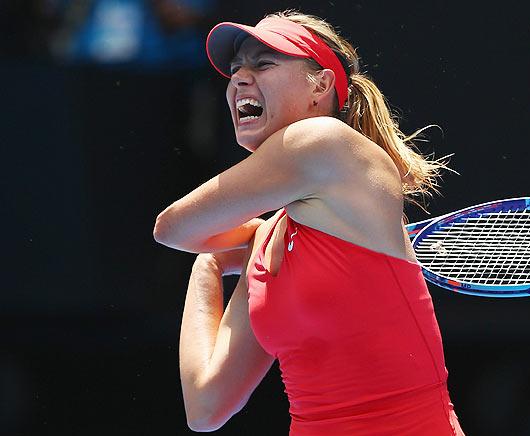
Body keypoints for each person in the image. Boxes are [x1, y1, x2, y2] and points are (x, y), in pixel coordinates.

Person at [153, 10, 465, 435]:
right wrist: (208, 264)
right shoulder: (266, 244)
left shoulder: (321, 141)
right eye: (235, 70)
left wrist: (224, 243)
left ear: (320, 85)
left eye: (263, 64)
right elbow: (205, 407)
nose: (240, 79)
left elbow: (172, 228)